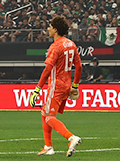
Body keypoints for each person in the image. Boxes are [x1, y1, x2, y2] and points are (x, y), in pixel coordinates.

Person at [30, 16, 83, 157]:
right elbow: (79, 67)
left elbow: (48, 69)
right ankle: (48, 147)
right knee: (44, 112)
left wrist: (37, 89)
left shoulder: (55, 46)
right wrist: (75, 85)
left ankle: (71, 137)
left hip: (56, 86)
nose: (48, 29)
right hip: (66, 85)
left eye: (50, 27)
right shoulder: (71, 44)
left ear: (55, 29)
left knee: (49, 116)